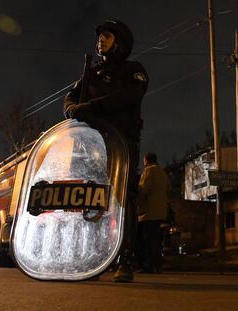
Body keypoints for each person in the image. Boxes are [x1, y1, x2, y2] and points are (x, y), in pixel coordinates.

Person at [63, 19, 148, 282]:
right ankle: (92, 259)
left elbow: (131, 96)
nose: (101, 40)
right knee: (88, 200)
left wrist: (94, 107)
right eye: (100, 36)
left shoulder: (133, 70)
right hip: (89, 145)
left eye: (107, 35)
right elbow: (70, 99)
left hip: (119, 143)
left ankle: (125, 260)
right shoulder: (90, 74)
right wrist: (72, 109)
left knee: (123, 199)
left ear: (119, 41)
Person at [136, 153, 169, 273]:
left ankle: (148, 266)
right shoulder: (162, 172)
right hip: (160, 211)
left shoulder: (149, 171)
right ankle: (157, 266)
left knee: (148, 241)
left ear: (146, 160)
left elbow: (143, 189)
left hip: (149, 212)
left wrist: (137, 204)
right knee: (156, 241)